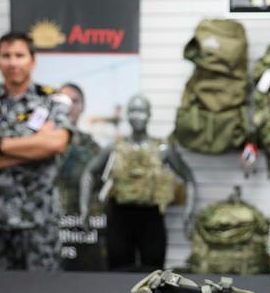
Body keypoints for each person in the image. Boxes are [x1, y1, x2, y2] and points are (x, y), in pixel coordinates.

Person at [0, 32, 72, 270]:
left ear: (32, 60)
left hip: (39, 222)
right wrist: (34, 145)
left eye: (19, 55)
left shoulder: (51, 100)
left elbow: (55, 144)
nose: (13, 62)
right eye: (6, 56)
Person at [80, 94, 196, 272]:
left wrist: (188, 212)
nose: (137, 116)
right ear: (127, 115)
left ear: (150, 114)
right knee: (118, 272)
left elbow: (188, 177)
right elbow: (89, 172)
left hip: (151, 218)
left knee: (154, 274)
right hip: (120, 217)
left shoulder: (163, 149)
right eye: (133, 111)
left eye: (142, 111)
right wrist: (84, 208)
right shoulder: (115, 148)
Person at [56, 83, 107, 271]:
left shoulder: (92, 147)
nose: (70, 107)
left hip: (83, 227)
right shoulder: (39, 144)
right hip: (51, 225)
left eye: (75, 101)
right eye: (64, 101)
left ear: (82, 107)